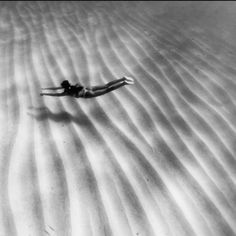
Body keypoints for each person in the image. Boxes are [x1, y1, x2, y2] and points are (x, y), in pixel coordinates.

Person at [40, 76, 134, 98]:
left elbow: (55, 94)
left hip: (87, 94)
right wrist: (44, 89)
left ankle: (124, 83)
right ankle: (123, 78)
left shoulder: (66, 92)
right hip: (87, 88)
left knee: (107, 90)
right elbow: (55, 89)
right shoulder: (71, 86)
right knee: (106, 85)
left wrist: (44, 93)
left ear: (63, 87)